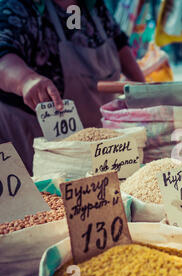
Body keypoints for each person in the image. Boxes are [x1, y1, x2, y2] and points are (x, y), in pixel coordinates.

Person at [0, 0, 145, 173]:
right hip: (31, 132)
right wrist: (26, 80)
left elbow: (119, 43)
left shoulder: (94, 6)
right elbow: (3, 55)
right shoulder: (20, 6)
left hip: (91, 134)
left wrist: (145, 90)